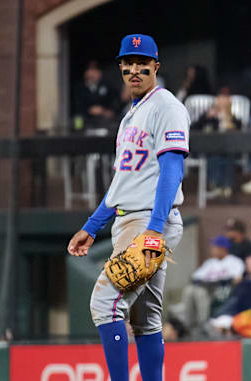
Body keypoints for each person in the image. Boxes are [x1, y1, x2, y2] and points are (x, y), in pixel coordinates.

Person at [67, 34, 189, 381]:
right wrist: (92, 226)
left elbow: (172, 170)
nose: (134, 69)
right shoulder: (131, 114)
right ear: (121, 67)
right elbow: (123, 182)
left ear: (155, 67)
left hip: (148, 221)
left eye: (142, 63)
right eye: (128, 64)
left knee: (105, 303)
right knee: (145, 318)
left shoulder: (166, 106)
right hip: (130, 218)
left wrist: (154, 228)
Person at [190, 92, 241, 198]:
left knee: (227, 158)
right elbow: (195, 128)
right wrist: (208, 117)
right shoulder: (208, 117)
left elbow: (239, 129)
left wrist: (228, 120)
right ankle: (216, 184)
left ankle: (227, 186)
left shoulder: (233, 118)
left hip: (228, 149)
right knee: (214, 157)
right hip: (211, 149)